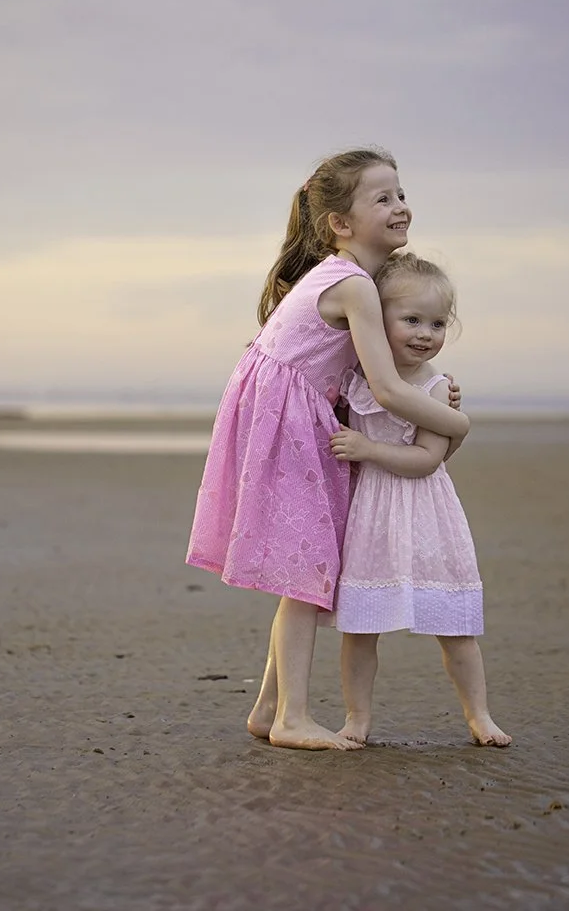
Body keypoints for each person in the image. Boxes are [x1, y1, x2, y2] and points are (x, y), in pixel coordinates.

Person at [186, 147, 471, 751]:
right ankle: (291, 718)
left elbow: (379, 376)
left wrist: (432, 391)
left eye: (401, 194)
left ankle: (268, 709)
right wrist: (455, 422)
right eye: (383, 198)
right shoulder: (354, 286)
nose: (400, 207)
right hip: (289, 424)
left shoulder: (347, 280)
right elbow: (390, 391)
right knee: (307, 575)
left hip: (288, 416)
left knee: (311, 569)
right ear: (340, 223)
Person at [327, 253, 511, 748]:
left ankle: (479, 715)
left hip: (427, 515)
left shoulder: (434, 388)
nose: (424, 333)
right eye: (411, 319)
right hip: (371, 517)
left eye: (436, 323)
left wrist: (368, 449)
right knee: (362, 628)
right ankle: (357, 718)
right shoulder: (357, 378)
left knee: (454, 627)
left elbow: (429, 458)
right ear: (374, 318)